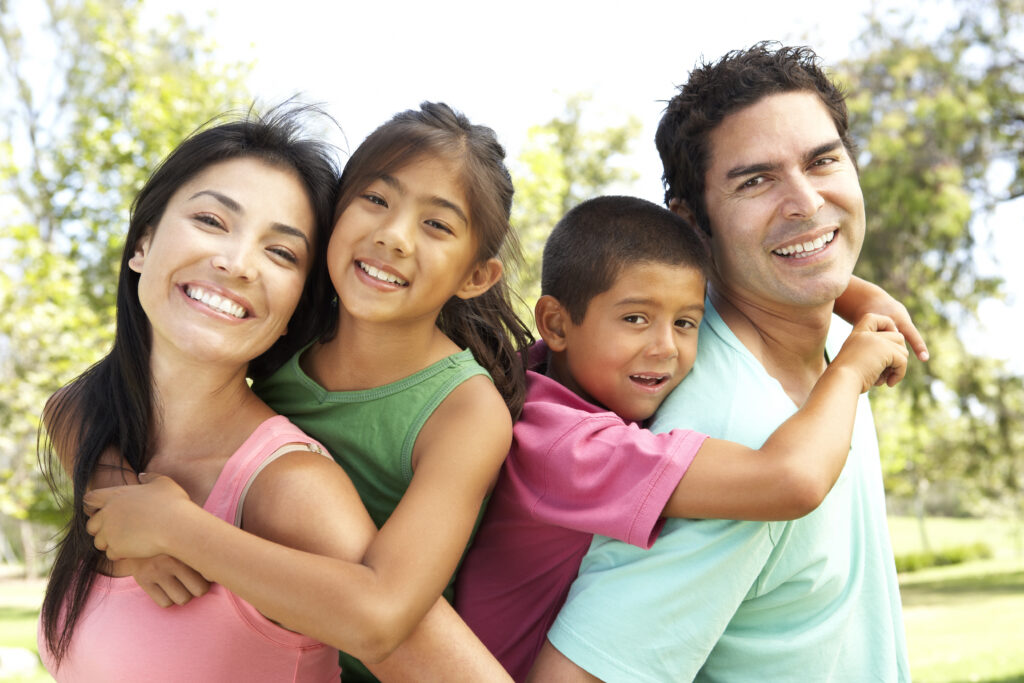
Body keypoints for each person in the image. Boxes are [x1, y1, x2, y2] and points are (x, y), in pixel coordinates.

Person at [81, 102, 532, 681]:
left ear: (476, 277)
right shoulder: (281, 343)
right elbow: (83, 400)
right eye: (375, 200)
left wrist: (176, 530)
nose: (393, 236)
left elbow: (381, 615)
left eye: (437, 225)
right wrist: (114, 490)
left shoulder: (465, 410)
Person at [531, 43, 914, 682]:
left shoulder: (826, 352)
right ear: (693, 223)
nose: (806, 203)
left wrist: (863, 298)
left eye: (823, 161)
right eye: (755, 180)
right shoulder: (732, 430)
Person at [455, 195, 909, 681]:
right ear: (556, 323)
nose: (664, 347)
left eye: (686, 323)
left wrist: (858, 296)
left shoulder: (543, 380)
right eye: (635, 319)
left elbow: (727, 276)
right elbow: (791, 480)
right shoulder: (569, 449)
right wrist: (848, 371)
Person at [37, 106, 351, 681]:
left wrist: (180, 531)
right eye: (211, 220)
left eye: (280, 253)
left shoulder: (291, 490)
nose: (236, 263)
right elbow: (67, 406)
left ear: (292, 314)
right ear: (141, 245)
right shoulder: (99, 429)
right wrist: (115, 487)